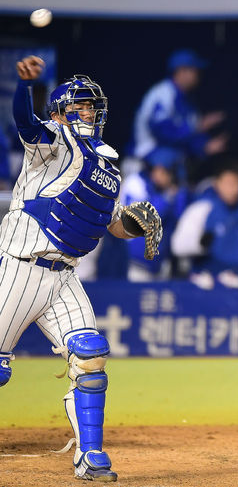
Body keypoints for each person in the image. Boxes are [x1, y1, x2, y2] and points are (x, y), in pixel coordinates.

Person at [1, 56, 161, 481]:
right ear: (58, 112)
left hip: (64, 277)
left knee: (90, 356)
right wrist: (25, 86)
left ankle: (90, 456)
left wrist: (134, 225)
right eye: (78, 106)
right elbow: (24, 123)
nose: (87, 112)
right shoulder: (51, 140)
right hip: (20, 267)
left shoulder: (107, 163)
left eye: (91, 106)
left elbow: (110, 224)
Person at [132, 49, 228, 180]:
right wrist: (197, 127)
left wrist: (204, 147)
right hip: (146, 160)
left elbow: (187, 136)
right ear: (181, 71)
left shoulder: (187, 100)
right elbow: (162, 132)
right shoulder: (163, 93)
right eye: (194, 70)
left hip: (169, 160)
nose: (198, 75)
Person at [171, 161, 238, 288]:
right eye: (228, 183)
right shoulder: (201, 209)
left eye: (236, 183)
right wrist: (199, 243)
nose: (232, 189)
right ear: (217, 184)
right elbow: (178, 246)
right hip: (208, 283)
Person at [121, 147, 189, 281]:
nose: (157, 175)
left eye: (163, 171)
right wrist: (168, 198)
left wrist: (175, 195)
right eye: (155, 170)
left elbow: (180, 219)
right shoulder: (139, 184)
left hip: (162, 263)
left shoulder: (180, 194)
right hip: (136, 262)